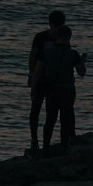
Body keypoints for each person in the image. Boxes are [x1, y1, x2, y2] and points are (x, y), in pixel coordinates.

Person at [40, 24, 86, 153]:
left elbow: (40, 70)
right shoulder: (73, 54)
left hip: (51, 89)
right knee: (65, 117)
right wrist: (82, 61)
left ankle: (45, 146)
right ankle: (64, 145)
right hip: (67, 89)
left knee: (50, 118)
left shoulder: (47, 52)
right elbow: (81, 72)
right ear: (69, 37)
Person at [27, 9, 66, 154]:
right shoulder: (40, 38)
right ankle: (34, 140)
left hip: (53, 81)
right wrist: (31, 75)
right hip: (40, 78)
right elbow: (33, 56)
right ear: (50, 25)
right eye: (56, 26)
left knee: (51, 113)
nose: (57, 30)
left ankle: (46, 143)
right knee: (35, 109)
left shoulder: (62, 38)